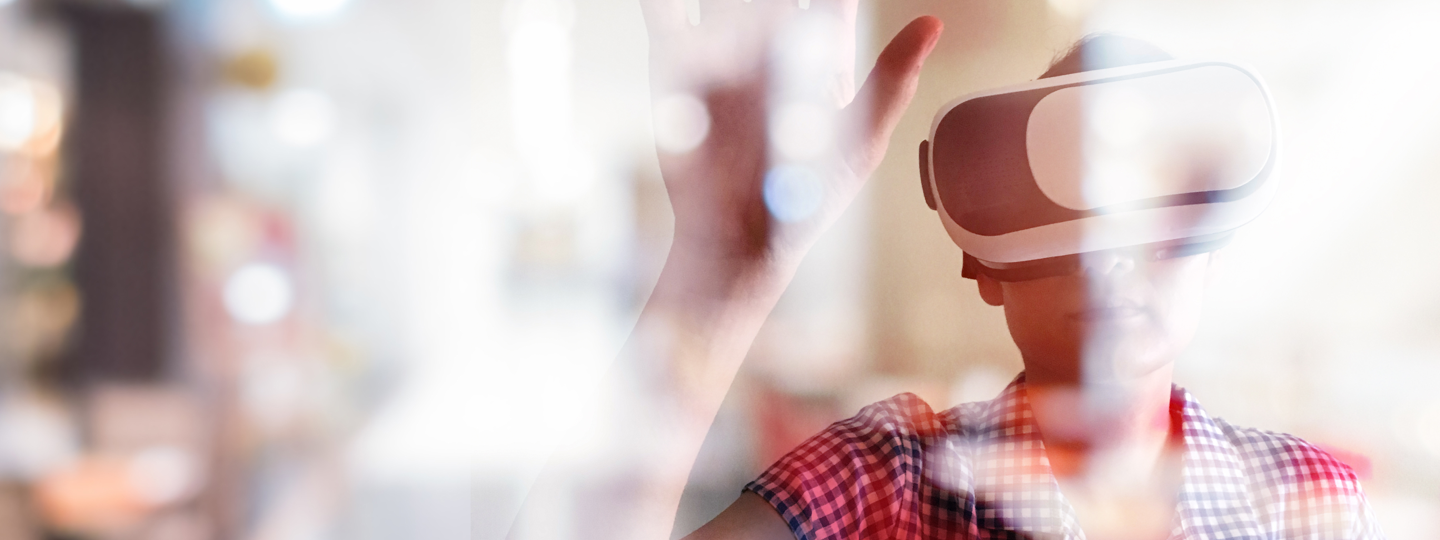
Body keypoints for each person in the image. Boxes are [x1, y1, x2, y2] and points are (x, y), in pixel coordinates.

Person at [506, 3, 1382, 539]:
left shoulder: (1309, 504)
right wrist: (714, 276)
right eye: (1055, 199)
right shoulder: (888, 476)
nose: (1106, 252)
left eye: (1153, 199)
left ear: (1212, 232)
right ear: (982, 259)